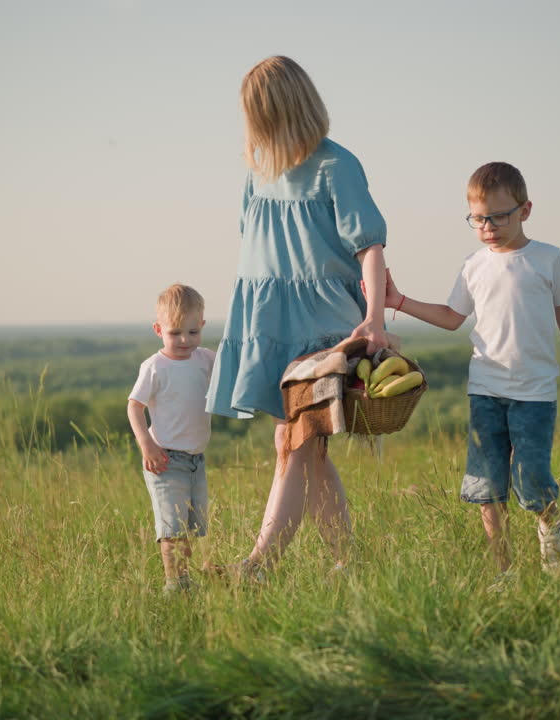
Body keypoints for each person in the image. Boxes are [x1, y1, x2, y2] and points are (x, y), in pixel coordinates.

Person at [206, 56, 389, 577]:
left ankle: (259, 563)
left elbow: (370, 246)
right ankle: (347, 563)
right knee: (300, 445)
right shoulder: (257, 173)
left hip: (321, 325)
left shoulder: (337, 165)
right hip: (270, 324)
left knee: (297, 441)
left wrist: (374, 319)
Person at [383, 162, 560, 580]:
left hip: (535, 392)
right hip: (485, 389)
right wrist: (398, 300)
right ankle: (505, 570)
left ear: (526, 209)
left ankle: (554, 540)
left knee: (532, 480)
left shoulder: (547, 258)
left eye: (500, 216)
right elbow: (450, 316)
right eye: (478, 219)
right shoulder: (473, 264)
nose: (490, 226)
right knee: (486, 487)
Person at [128, 284, 217, 593]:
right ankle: (174, 587)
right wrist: (146, 444)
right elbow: (134, 407)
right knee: (171, 529)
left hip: (196, 460)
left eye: (192, 332)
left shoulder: (205, 359)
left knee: (188, 529)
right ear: (158, 329)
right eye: (175, 332)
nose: (184, 340)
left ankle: (186, 581)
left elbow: (233, 371)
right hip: (164, 459)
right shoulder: (155, 367)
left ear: (202, 326)